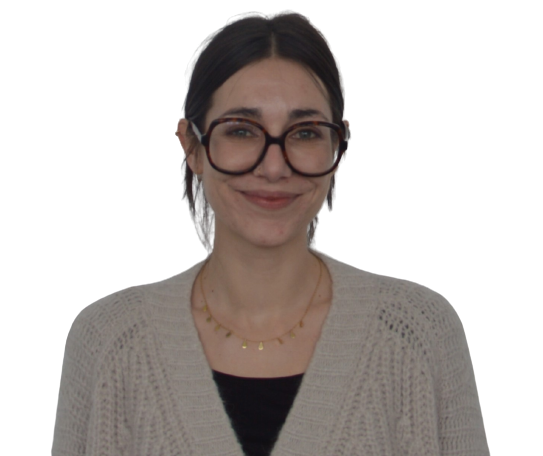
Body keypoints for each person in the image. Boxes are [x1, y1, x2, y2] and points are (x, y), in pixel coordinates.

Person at [52, 13, 489, 456]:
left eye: (305, 133)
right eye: (241, 130)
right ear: (192, 146)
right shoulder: (109, 341)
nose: (275, 167)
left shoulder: (419, 334)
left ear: (338, 145)